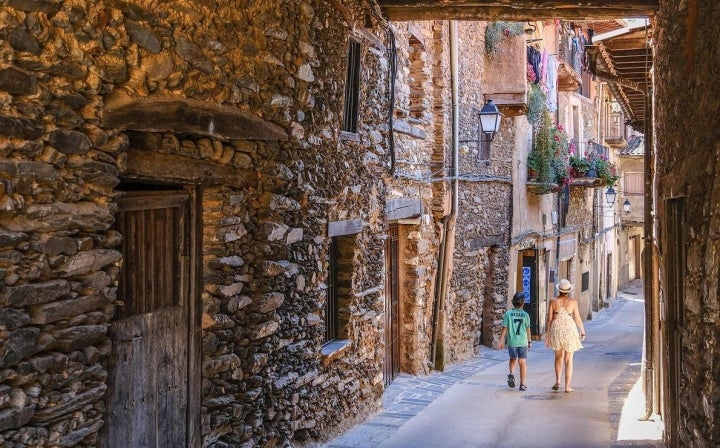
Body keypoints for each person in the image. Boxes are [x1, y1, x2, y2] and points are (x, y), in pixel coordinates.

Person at [545, 279, 586, 393]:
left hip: (556, 329)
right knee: (569, 360)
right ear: (568, 291)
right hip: (569, 329)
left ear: (559, 290)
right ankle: (567, 386)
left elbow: (549, 319)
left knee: (558, 357)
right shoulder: (573, 302)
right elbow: (577, 318)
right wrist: (582, 331)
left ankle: (558, 381)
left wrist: (548, 335)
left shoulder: (552, 301)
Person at [499, 292, 532, 391]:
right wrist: (529, 341)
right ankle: (522, 384)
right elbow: (528, 329)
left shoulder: (508, 314)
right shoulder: (526, 315)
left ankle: (512, 374)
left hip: (512, 342)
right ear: (523, 303)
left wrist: (501, 340)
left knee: (512, 359)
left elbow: (505, 328)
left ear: (513, 302)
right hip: (522, 342)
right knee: (522, 362)